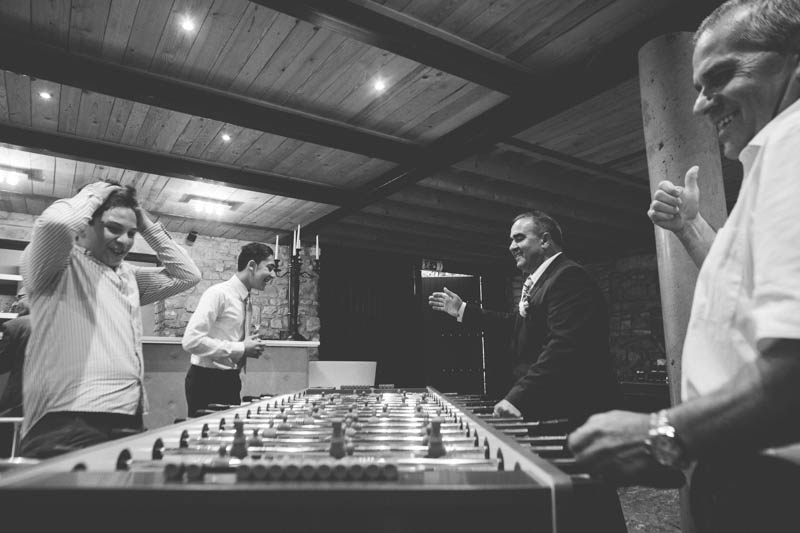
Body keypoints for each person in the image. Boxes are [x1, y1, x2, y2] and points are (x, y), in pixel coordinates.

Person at [567, 1, 800, 530]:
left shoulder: (794, 139)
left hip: (771, 485)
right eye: (697, 85)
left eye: (720, 76)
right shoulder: (774, 156)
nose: (698, 105)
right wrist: (691, 227)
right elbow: (740, 292)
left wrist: (662, 433)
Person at [19, 182, 201, 458]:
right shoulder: (57, 266)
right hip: (67, 422)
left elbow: (187, 275)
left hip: (128, 418)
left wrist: (144, 220)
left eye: (131, 233)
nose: (125, 241)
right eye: (113, 228)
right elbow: (56, 223)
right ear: (84, 226)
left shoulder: (128, 275)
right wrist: (100, 190)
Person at [428, 211, 620, 424]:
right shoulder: (544, 280)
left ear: (545, 240)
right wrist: (463, 310)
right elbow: (518, 325)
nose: (511, 247)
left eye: (519, 238)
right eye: (511, 240)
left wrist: (518, 397)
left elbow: (564, 346)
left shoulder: (568, 277)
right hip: (549, 407)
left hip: (571, 410)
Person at [182, 242, 277, 417]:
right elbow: (191, 340)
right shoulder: (218, 294)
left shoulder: (247, 301)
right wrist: (241, 348)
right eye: (270, 268)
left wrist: (247, 347)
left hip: (230, 380)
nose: (273, 274)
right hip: (206, 381)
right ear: (252, 266)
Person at [0, 287, 30, 456]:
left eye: (20, 297)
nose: (16, 303)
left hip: (17, 402)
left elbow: (2, 363)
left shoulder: (16, 326)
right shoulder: (63, 323)